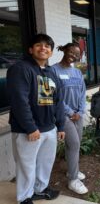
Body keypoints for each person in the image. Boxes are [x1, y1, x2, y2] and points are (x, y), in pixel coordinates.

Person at [6, 34, 65, 204]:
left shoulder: (51, 72)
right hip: (28, 130)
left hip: (49, 128)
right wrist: (30, 127)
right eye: (38, 45)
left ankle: (40, 189)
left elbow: (59, 101)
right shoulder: (21, 69)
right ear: (31, 49)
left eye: (47, 46)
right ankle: (24, 197)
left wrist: (60, 126)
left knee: (45, 163)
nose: (43, 48)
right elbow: (19, 101)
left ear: (51, 52)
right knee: (26, 166)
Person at [52, 43, 88, 194]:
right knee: (73, 144)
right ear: (65, 50)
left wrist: (80, 111)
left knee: (75, 144)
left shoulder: (77, 72)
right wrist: (69, 112)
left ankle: (72, 170)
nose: (73, 55)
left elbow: (82, 92)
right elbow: (54, 95)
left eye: (76, 54)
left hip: (77, 114)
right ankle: (73, 180)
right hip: (62, 114)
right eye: (71, 52)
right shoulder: (53, 70)